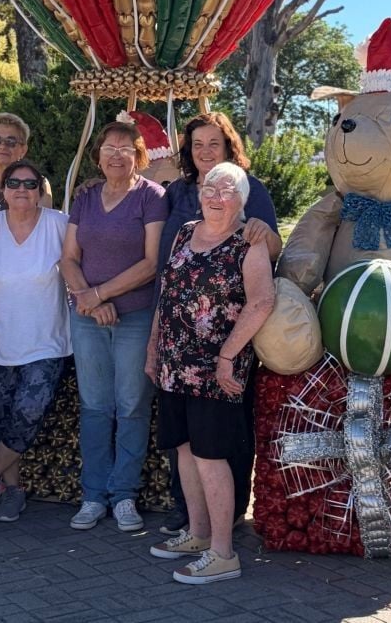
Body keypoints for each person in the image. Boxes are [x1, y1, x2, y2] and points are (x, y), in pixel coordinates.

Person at [146, 161, 275, 584]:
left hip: (216, 370)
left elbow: (261, 303)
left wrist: (226, 357)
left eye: (227, 191)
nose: (216, 197)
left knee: (210, 456)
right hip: (174, 364)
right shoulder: (185, 232)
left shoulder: (247, 242)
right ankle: (198, 534)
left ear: (242, 199)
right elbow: (167, 293)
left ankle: (223, 553)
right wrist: (153, 348)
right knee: (184, 449)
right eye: (209, 189)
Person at [157, 112, 281, 536]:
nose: (206, 152)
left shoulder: (249, 190)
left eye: (214, 143)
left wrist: (262, 231)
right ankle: (193, 522)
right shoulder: (178, 193)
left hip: (221, 350)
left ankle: (225, 524)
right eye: (197, 145)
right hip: (176, 350)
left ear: (229, 147)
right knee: (186, 444)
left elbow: (267, 266)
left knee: (219, 443)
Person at [60, 120, 168, 532]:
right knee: (94, 407)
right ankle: (93, 496)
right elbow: (68, 258)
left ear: (139, 154)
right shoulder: (85, 198)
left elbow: (151, 262)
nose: (116, 153)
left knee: (131, 406)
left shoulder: (151, 197)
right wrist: (89, 298)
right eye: (109, 146)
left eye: (126, 146)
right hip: (88, 317)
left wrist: (100, 294)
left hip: (134, 317)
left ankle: (124, 495)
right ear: (99, 153)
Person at [0, 160, 71, 524]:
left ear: (41, 189)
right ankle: (13, 491)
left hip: (46, 342)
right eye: (14, 183)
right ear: (3, 190)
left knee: (29, 411)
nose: (22, 190)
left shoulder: (60, 224)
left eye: (30, 183)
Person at [0, 112, 53, 221]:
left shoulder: (37, 184)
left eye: (10, 141)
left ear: (23, 149)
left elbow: (42, 226)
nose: (2, 146)